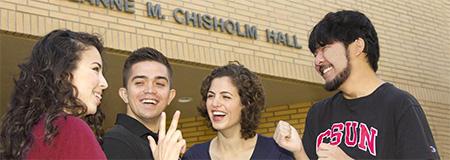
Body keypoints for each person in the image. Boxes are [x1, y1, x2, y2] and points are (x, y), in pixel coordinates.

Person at [274, 10, 440, 159]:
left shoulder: (399, 104)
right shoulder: (318, 113)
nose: (318, 61)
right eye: (315, 54)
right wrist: (299, 152)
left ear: (357, 46)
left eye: (325, 48)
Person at [0, 29, 108, 159]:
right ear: (64, 72)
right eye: (95, 69)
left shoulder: (32, 136)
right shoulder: (72, 129)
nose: (104, 83)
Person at [183, 63, 294, 160]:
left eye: (226, 97)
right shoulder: (194, 156)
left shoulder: (276, 153)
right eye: (211, 96)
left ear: (246, 103)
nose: (215, 103)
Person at [102, 47, 186, 159]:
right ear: (125, 94)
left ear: (170, 96)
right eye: (140, 83)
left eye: (160, 84)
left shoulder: (165, 146)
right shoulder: (114, 142)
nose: (150, 90)